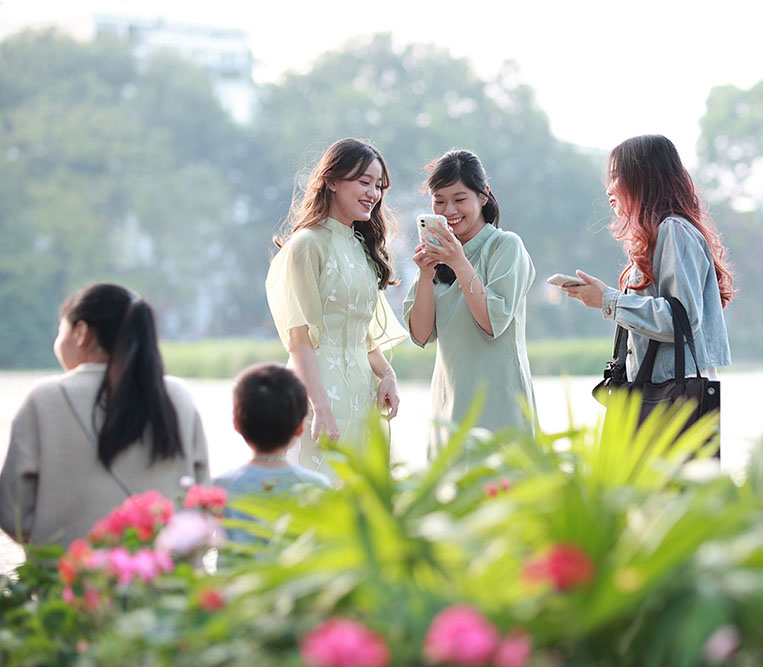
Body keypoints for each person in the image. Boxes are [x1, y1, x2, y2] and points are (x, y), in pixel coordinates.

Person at [0, 283, 210, 548]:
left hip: (69, 582)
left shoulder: (44, 399)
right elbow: (203, 501)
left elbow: (11, 514)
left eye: (60, 331)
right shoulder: (178, 397)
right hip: (166, 579)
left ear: (81, 333)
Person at [265, 138, 406, 478]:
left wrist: (387, 374)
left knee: (358, 508)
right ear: (331, 181)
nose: (373, 193)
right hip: (316, 393)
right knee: (314, 496)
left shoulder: (363, 251)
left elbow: (363, 336)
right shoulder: (306, 246)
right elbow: (299, 340)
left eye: (378, 185)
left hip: (361, 395)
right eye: (364, 182)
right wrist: (320, 407)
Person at [562, 134, 734, 403]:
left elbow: (683, 319)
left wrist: (608, 300)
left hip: (673, 393)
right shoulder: (661, 234)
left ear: (645, 178)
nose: (609, 188)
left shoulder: (673, 230)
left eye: (617, 176)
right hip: (660, 388)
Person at [403, 149, 537, 456]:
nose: (449, 209)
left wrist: (459, 262)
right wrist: (425, 275)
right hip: (448, 404)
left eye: (459, 199)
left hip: (499, 402)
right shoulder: (436, 255)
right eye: (439, 200)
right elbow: (420, 335)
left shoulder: (505, 246)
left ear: (483, 196)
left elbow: (492, 322)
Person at [213, 364, 331, 544]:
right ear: (300, 428)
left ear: (236, 423)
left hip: (236, 573)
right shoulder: (318, 487)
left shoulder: (220, 487)